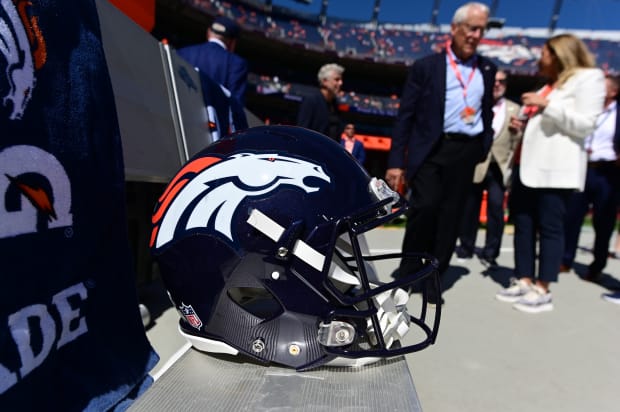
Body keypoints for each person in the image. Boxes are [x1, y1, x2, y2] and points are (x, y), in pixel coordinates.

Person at [385, 2, 496, 303]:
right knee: (425, 209)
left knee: (451, 217)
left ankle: (435, 277)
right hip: (432, 149)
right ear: (455, 28)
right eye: (471, 28)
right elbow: (405, 115)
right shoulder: (427, 66)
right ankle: (408, 273)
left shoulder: (487, 69)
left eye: (481, 30)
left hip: (466, 151)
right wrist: (396, 161)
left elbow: (486, 112)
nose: (476, 35)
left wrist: (483, 145)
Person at [495, 34, 605, 313]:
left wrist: (546, 106)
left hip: (556, 169)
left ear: (558, 53)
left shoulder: (588, 78)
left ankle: (543, 288)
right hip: (526, 166)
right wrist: (526, 120)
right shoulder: (549, 85)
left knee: (550, 228)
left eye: (543, 53)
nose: (539, 59)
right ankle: (524, 279)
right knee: (523, 224)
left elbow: (585, 125)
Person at [456, 70, 521, 268]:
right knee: (469, 208)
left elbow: (518, 141)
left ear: (506, 85)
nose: (497, 84)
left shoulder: (515, 109)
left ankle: (491, 253)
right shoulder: (472, 105)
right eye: (494, 81)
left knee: (496, 209)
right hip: (475, 164)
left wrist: (519, 132)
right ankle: (466, 247)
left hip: (500, 167)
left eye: (501, 81)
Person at [560, 74, 620, 280]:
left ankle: (597, 264)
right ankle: (565, 259)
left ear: (613, 91)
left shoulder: (617, 113)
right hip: (582, 168)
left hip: (608, 171)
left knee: (604, 221)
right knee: (571, 215)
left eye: (602, 88)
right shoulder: (586, 109)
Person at [178, 15, 248, 107]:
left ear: (208, 33)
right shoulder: (237, 64)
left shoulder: (183, 52)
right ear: (232, 42)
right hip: (211, 120)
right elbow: (236, 106)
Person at [297, 63, 345, 142]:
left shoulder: (335, 104)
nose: (340, 83)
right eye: (337, 79)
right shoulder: (311, 100)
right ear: (324, 81)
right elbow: (302, 132)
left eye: (341, 80)